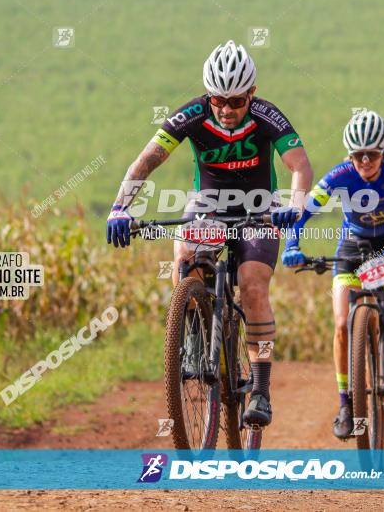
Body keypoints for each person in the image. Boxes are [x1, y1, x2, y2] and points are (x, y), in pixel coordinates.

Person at [106, 40, 313, 427]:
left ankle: (262, 390)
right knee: (185, 257)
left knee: (252, 285)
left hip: (260, 206)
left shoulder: (269, 116)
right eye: (218, 100)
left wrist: (296, 204)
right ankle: (192, 339)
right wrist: (122, 206)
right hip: (209, 205)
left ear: (252, 92)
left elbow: (299, 165)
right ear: (208, 94)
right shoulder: (192, 114)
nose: (226, 109)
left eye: (236, 100)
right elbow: (147, 160)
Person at [281, 110, 384, 439]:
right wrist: (292, 244)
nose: (366, 161)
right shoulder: (340, 175)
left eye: (372, 154)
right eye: (358, 155)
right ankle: (345, 403)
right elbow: (305, 211)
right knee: (342, 325)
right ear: (350, 155)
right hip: (353, 246)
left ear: (383, 152)